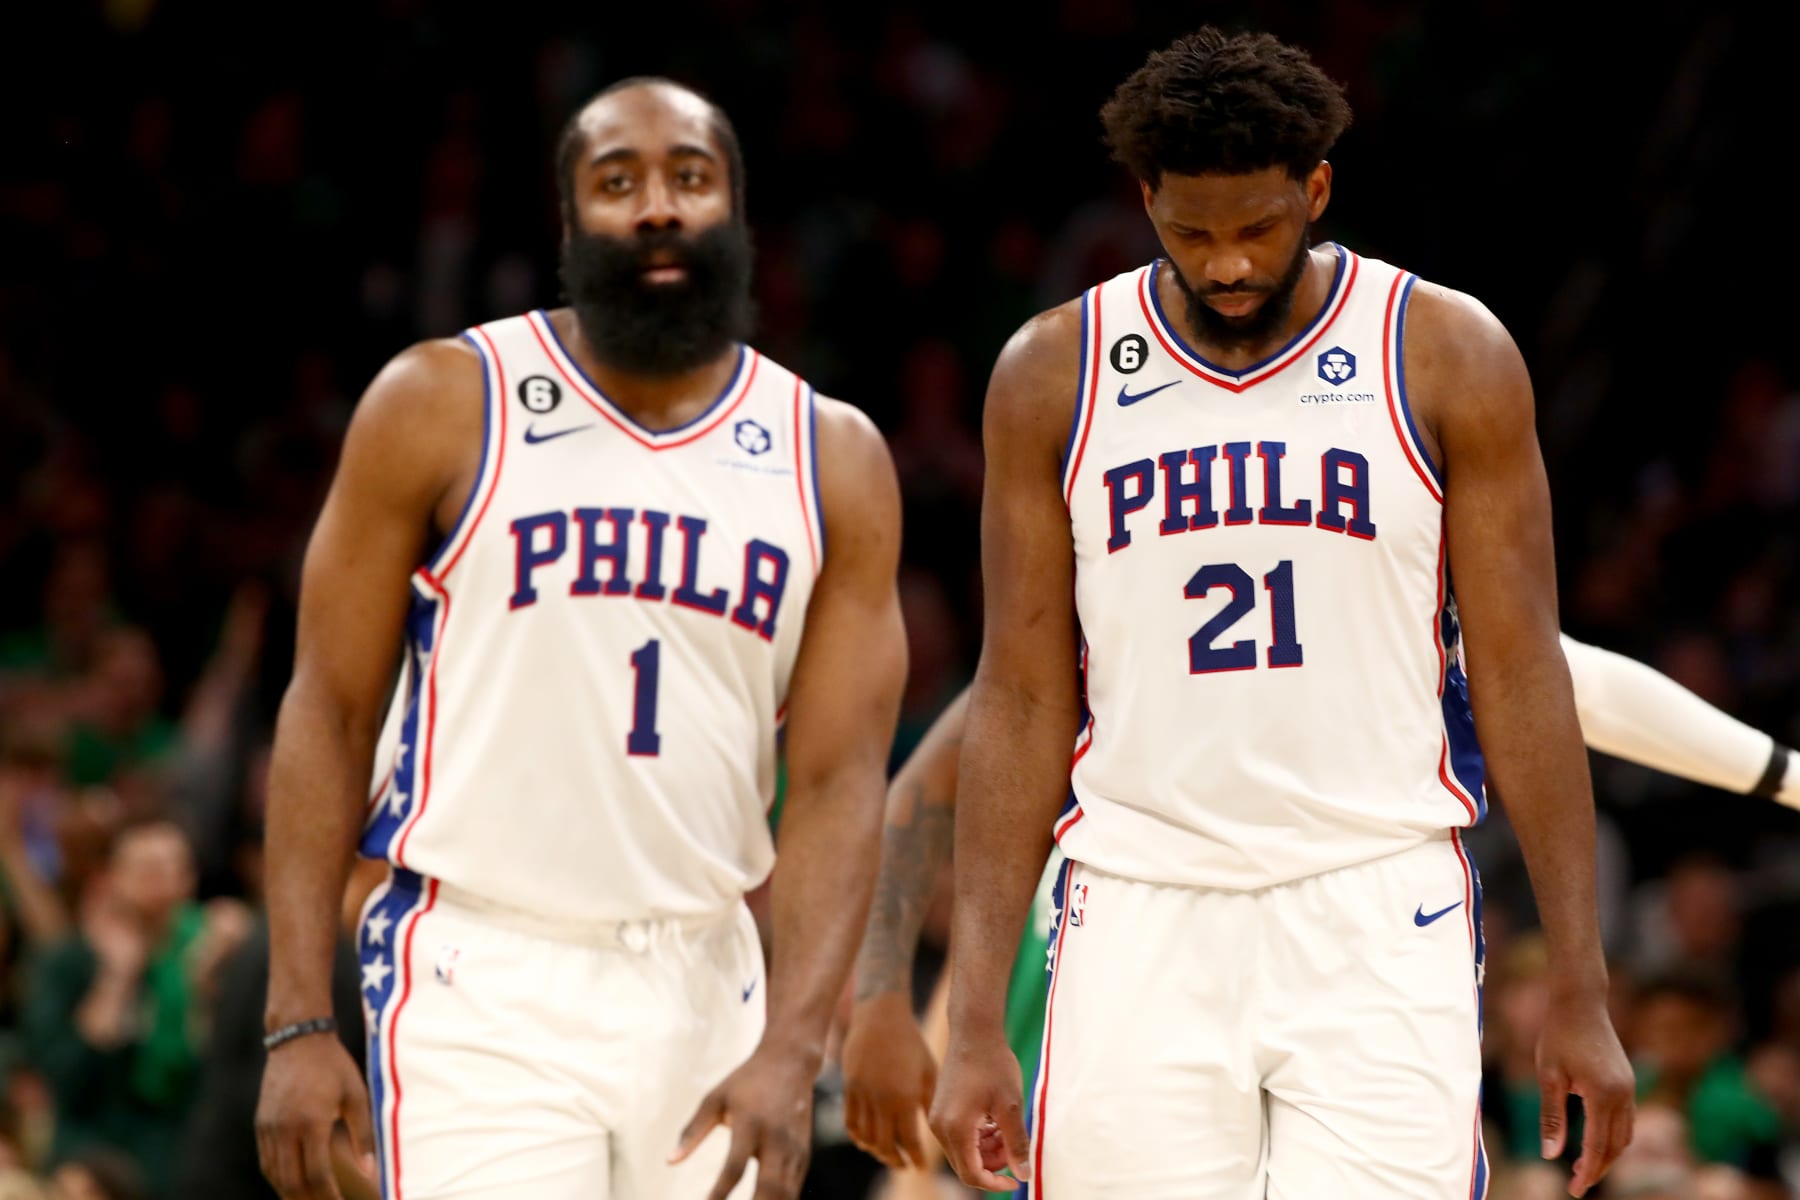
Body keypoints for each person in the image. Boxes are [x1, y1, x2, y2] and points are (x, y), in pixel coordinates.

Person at [925, 28, 1637, 1198]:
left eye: (1257, 228)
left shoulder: (1444, 352)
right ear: (1146, 201)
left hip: (1377, 894)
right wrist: (970, 1020)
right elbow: (1018, 694)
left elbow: (1519, 675)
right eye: (1191, 233)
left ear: (1315, 190)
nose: (1227, 264)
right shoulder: (1053, 374)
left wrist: (1580, 981)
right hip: (1140, 901)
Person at [253, 77, 906, 1200]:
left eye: (690, 178)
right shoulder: (443, 402)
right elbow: (329, 708)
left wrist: (797, 1047)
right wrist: (297, 1019)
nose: (657, 206)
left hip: (708, 975)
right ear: (569, 222)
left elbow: (841, 780)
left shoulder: (830, 456)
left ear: (736, 214)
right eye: (618, 182)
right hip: (482, 971)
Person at [842, 640, 1800, 1184]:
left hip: (1342, 963)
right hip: (1104, 965)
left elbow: (1560, 675)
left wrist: (1787, 777)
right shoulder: (1112, 596)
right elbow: (928, 787)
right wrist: (887, 1003)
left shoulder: (1395, 592)